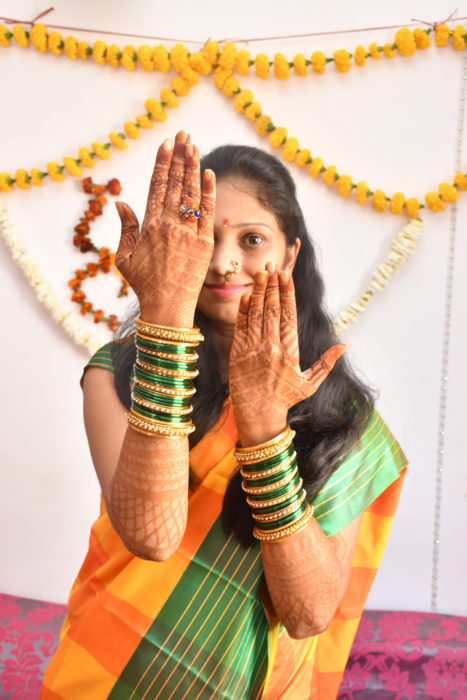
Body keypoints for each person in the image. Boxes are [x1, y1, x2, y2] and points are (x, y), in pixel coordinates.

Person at [40, 131, 407, 699]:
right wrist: (165, 310)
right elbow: (152, 537)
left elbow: (309, 614)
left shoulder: (339, 415)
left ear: (290, 255)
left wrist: (265, 433)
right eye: (202, 238)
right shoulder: (116, 373)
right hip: (105, 677)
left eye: (251, 239)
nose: (221, 261)